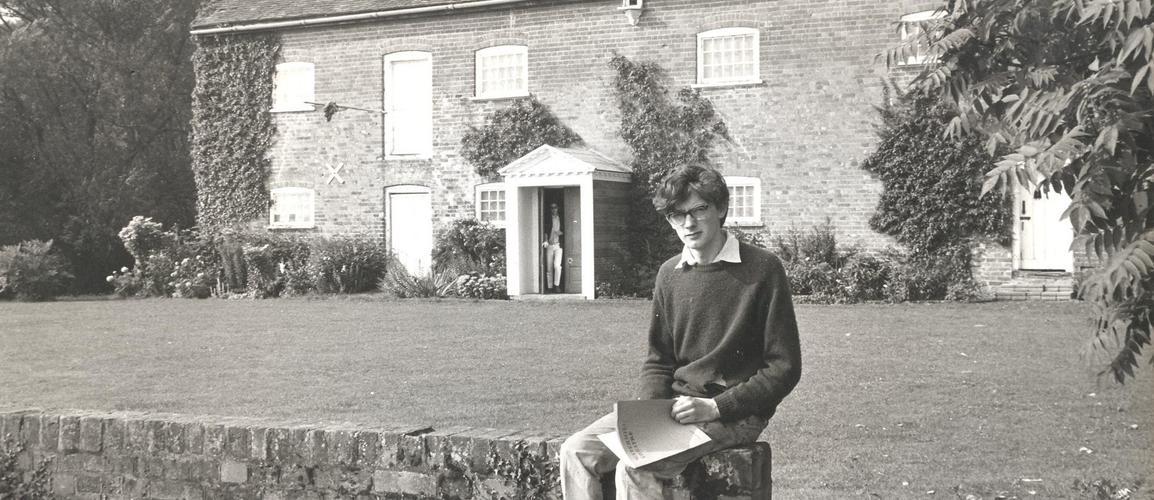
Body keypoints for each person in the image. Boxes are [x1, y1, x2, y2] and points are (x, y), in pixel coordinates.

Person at [559, 164, 802, 500]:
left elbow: (784, 367)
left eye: (699, 209)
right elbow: (659, 360)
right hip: (671, 410)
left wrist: (716, 407)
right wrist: (647, 417)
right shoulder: (669, 274)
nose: (688, 223)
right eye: (677, 214)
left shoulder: (764, 269)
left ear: (721, 209)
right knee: (576, 452)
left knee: (635, 466)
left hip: (734, 414)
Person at [542, 202, 564, 292]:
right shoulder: (548, 218)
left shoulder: (561, 218)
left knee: (557, 266)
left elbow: (566, 230)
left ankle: (557, 285)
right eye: (551, 208)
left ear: (558, 208)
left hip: (558, 245)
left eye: (555, 207)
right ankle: (550, 287)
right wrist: (546, 240)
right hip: (550, 245)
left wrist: (560, 233)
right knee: (549, 267)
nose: (553, 209)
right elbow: (545, 231)